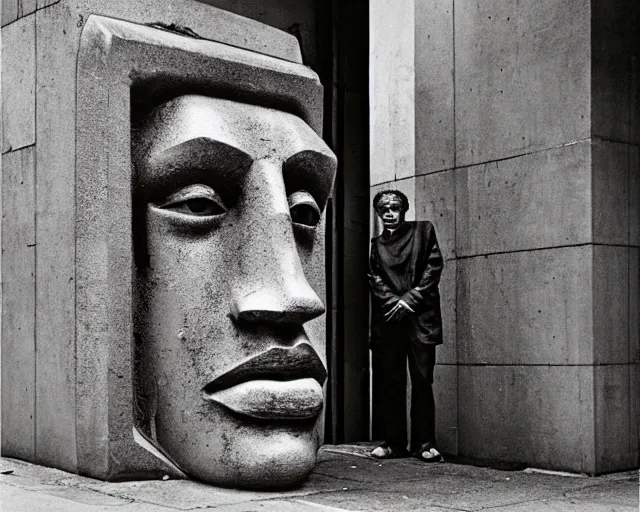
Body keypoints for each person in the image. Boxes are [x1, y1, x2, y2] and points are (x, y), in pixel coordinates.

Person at [368, 190, 444, 462]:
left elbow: (433, 268)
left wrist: (409, 300)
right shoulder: (376, 245)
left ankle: (424, 443)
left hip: (420, 322)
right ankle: (393, 443)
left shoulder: (423, 232)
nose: (389, 214)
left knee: (422, 381)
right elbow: (374, 278)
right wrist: (395, 304)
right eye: (383, 209)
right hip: (390, 322)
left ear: (404, 209)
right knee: (391, 382)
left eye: (394, 208)